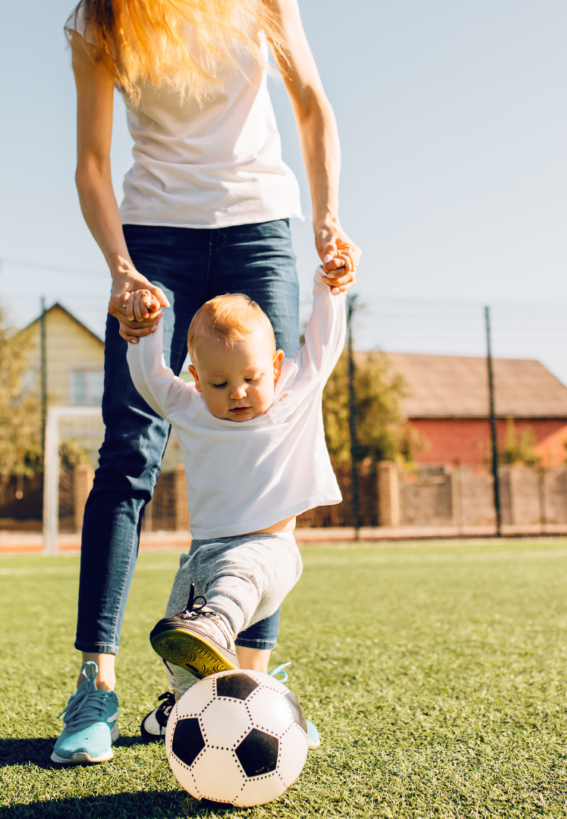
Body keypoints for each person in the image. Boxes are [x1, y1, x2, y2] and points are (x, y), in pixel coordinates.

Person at [55, 0, 360, 766]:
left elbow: (312, 108)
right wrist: (122, 270)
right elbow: (92, 164)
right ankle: (96, 684)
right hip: (156, 234)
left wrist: (326, 220)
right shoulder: (99, 21)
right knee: (127, 455)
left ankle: (248, 685)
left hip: (261, 224)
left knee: (273, 439)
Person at [126, 270, 344, 747]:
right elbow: (150, 380)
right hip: (204, 552)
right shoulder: (192, 406)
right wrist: (146, 332)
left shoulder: (294, 394)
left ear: (277, 365)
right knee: (176, 634)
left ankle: (249, 674)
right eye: (221, 382)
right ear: (197, 378)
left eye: (251, 377)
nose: (238, 393)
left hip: (269, 550)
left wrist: (330, 287)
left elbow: (326, 343)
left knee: (233, 584)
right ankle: (184, 702)